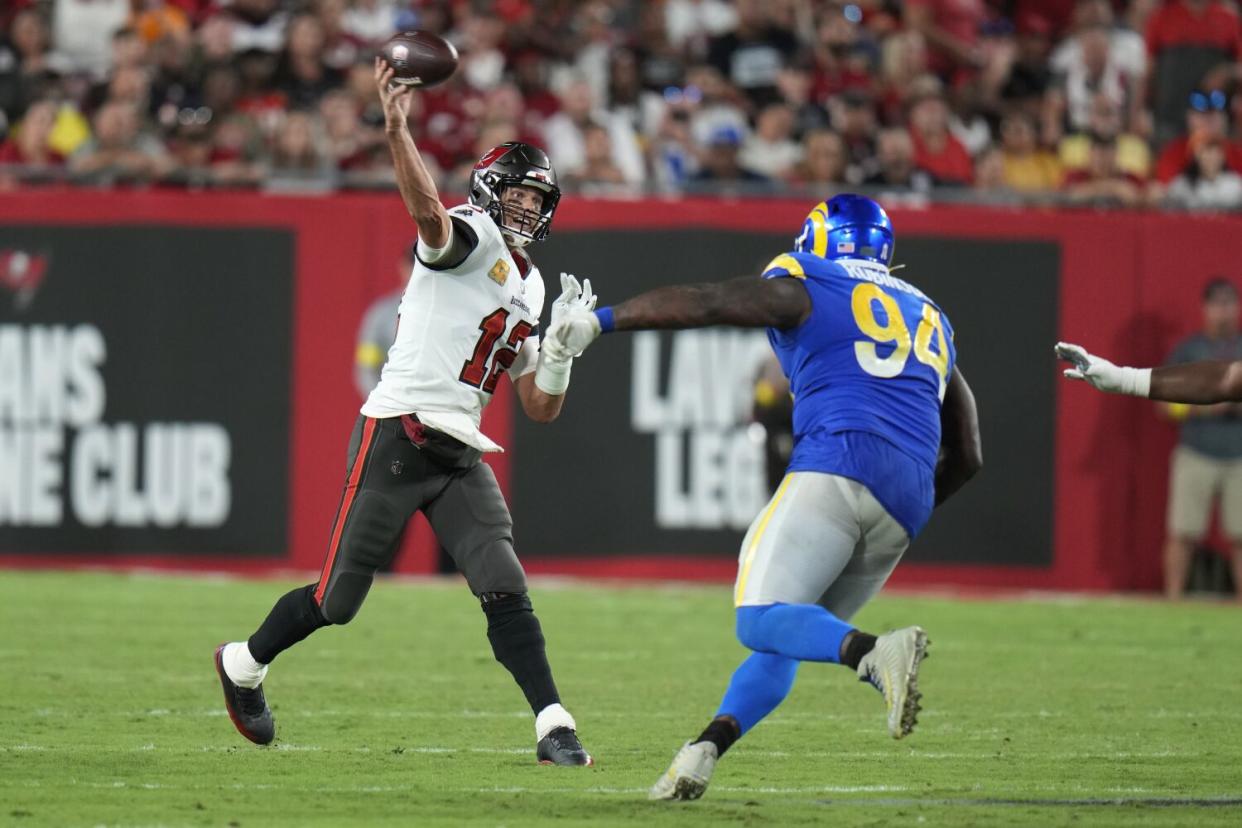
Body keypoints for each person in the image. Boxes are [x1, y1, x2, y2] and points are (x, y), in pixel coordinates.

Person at [213, 58, 596, 766]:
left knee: (504, 582)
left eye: (539, 202)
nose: (528, 211)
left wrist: (564, 355)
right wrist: (397, 131)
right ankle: (242, 664)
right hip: (399, 436)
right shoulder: (467, 233)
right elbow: (425, 211)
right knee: (337, 601)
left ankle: (554, 724)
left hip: (459, 455)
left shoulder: (535, 285)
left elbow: (537, 406)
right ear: (488, 190)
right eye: (518, 195)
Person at [545, 194, 983, 800]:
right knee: (788, 632)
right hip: (907, 498)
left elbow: (709, 303)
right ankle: (701, 752)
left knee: (758, 617)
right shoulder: (929, 314)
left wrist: (602, 320)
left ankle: (872, 652)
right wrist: (902, 506)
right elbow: (969, 454)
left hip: (838, 458)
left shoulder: (811, 278)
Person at [1057, 279, 1242, 601]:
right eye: (1217, 304)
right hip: (1198, 450)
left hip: (1237, 453)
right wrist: (1127, 378)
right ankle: (1172, 603)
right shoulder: (1191, 348)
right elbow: (1226, 380)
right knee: (1183, 532)